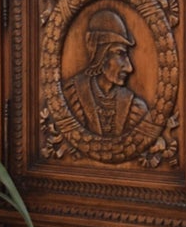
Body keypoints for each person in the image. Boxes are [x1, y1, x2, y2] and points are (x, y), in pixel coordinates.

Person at [63, 8, 149, 139]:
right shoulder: (71, 96)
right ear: (100, 54)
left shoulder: (136, 109)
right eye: (120, 53)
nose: (129, 68)